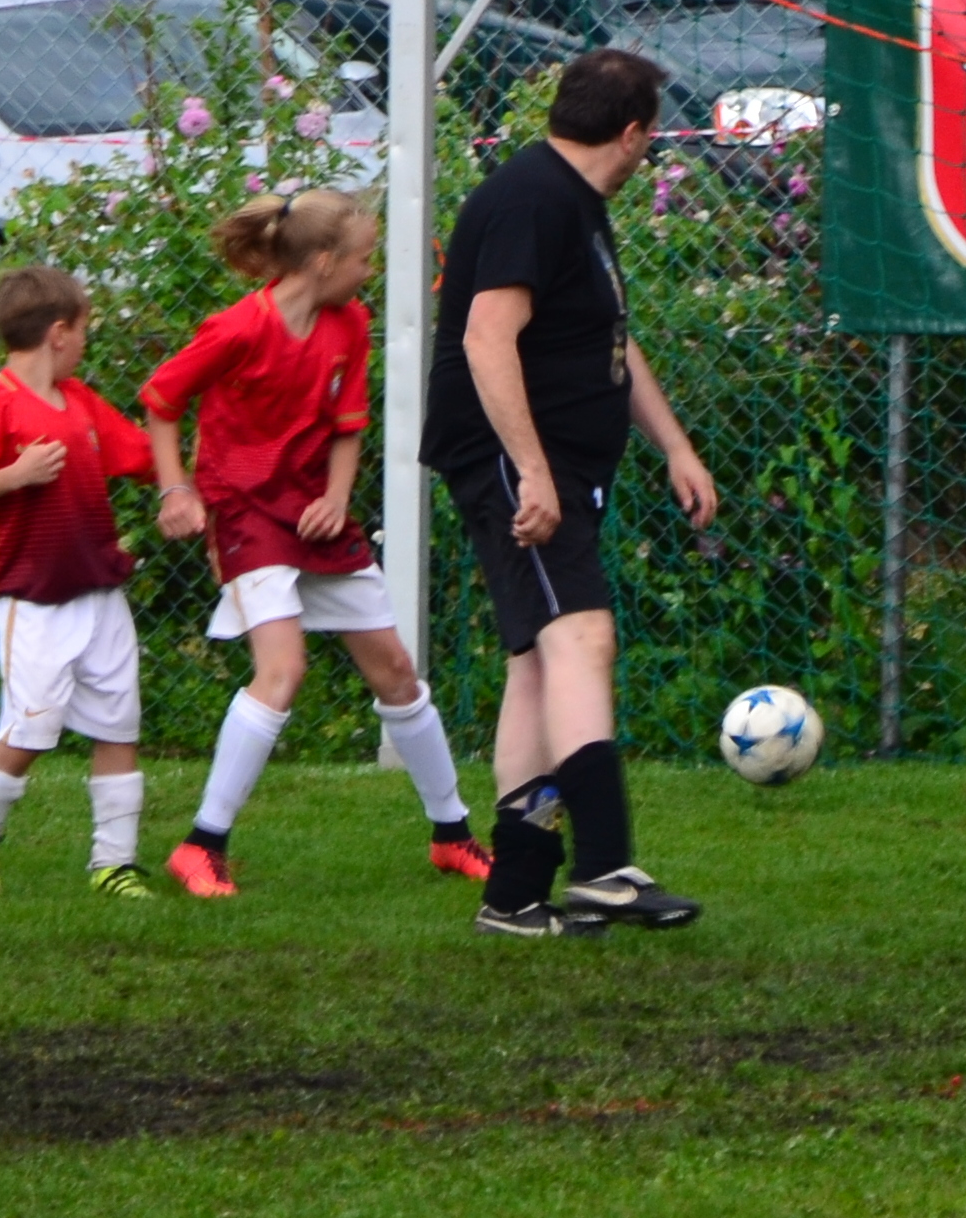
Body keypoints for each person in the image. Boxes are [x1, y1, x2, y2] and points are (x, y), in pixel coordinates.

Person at [421, 49, 718, 939]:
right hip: (514, 457)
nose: (647, 152)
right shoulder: (533, 199)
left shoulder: (571, 203)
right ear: (631, 134)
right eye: (650, 137)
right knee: (584, 638)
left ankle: (514, 895)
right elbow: (485, 338)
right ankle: (604, 867)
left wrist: (675, 446)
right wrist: (533, 470)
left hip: (555, 461)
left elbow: (607, 344)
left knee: (537, 667)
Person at [142, 188, 486, 898]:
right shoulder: (238, 330)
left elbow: (347, 427)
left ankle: (452, 834)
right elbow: (161, 401)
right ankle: (201, 845)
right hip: (246, 515)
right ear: (324, 261)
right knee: (284, 669)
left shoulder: (349, 323)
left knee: (396, 671)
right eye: (364, 258)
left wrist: (335, 498)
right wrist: (176, 490)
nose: (370, 270)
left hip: (312, 515)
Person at [0, 265, 168, 900]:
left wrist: (194, 472)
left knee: (118, 724)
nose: (86, 342)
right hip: (31, 600)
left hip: (99, 591)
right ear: (59, 332)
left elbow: (143, 457)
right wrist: (16, 474)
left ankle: (114, 863)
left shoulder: (82, 402)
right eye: (85, 330)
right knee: (30, 731)